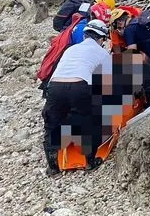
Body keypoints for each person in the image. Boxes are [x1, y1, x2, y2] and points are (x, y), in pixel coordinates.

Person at [41, 19, 112, 176]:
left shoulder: (71, 49)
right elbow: (107, 83)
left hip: (54, 86)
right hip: (79, 85)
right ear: (101, 38)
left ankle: (53, 167)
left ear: (85, 35)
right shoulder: (102, 53)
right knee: (88, 121)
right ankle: (90, 161)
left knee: (52, 124)